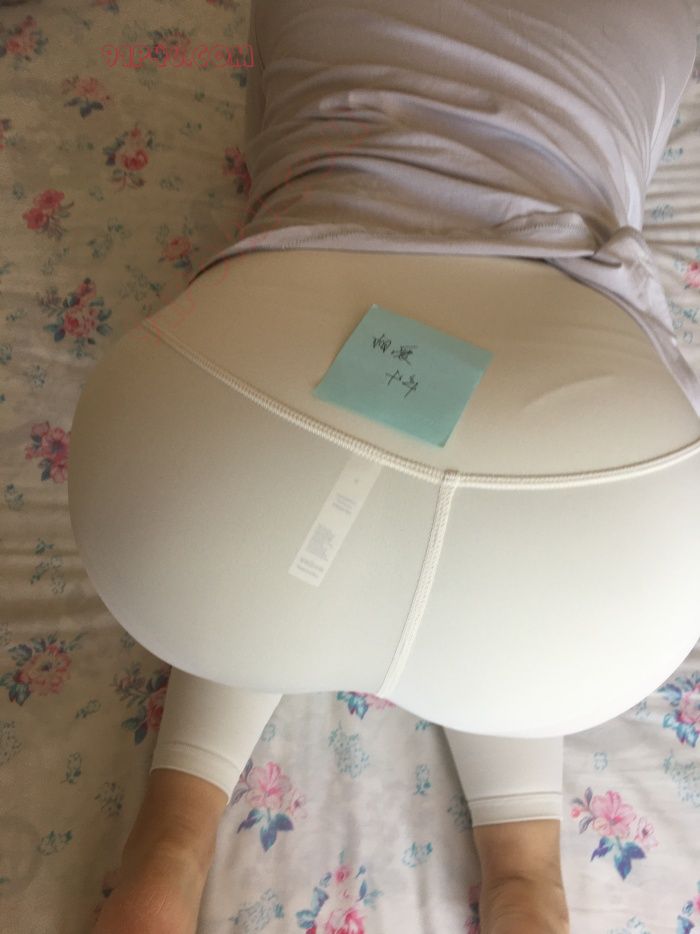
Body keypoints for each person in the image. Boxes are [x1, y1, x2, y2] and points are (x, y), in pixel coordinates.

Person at [66, 1, 700, 932]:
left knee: (271, 523)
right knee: (515, 564)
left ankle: (168, 846)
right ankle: (528, 883)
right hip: (590, 533)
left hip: (220, 438)